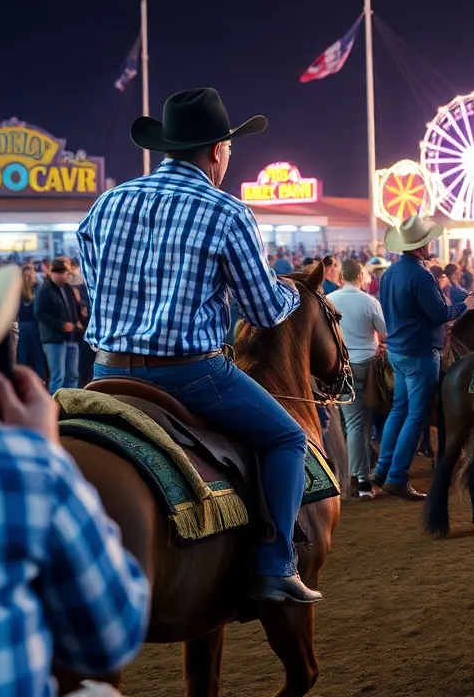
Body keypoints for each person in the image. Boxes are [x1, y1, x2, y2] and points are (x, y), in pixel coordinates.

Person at [80, 88, 320, 604]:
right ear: (216, 150)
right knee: (286, 439)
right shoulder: (226, 212)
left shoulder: (108, 203)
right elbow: (261, 311)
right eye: (230, 148)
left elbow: (96, 284)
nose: (229, 156)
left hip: (104, 371)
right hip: (189, 374)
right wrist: (288, 293)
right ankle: (276, 565)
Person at [0, 235, 149, 695]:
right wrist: (45, 453)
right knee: (281, 435)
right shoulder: (17, 466)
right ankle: (275, 555)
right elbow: (112, 636)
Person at [377, 215, 474, 500]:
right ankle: (396, 476)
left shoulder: (390, 273)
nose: (432, 243)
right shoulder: (421, 276)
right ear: (421, 247)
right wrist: (465, 305)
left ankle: (383, 468)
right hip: (420, 352)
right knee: (416, 416)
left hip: (399, 350)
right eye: (429, 240)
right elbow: (439, 314)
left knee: (399, 410)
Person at [328, 259, 386, 500]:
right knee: (359, 425)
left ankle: (357, 475)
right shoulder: (369, 301)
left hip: (339, 365)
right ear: (360, 275)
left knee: (353, 423)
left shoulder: (330, 299)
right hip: (365, 364)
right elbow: (383, 331)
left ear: (342, 276)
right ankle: (360, 478)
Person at [34, 258, 82, 393]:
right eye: (58, 272)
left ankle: (71, 407)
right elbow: (39, 314)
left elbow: (73, 309)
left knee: (72, 375)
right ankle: (55, 410)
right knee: (58, 377)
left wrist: (78, 320)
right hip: (54, 340)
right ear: (52, 273)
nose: (61, 275)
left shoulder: (68, 289)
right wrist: (61, 325)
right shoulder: (45, 290)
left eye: (64, 272)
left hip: (71, 338)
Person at [16, 264, 47, 380]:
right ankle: (38, 381)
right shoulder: (36, 291)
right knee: (36, 357)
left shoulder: (17, 292)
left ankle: (23, 382)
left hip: (23, 327)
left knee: (24, 358)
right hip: (32, 327)